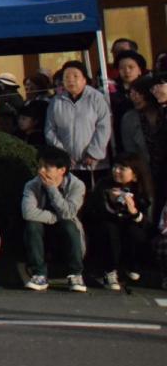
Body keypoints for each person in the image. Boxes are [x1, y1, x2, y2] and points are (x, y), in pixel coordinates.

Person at [22, 145, 87, 292]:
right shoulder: (32, 185)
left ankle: (76, 274)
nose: (41, 171)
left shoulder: (77, 185)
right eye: (40, 166)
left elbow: (69, 213)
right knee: (32, 225)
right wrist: (57, 217)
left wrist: (52, 190)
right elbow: (28, 212)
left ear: (62, 170)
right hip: (43, 229)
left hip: (65, 230)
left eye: (46, 167)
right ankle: (39, 274)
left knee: (69, 225)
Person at [88, 154, 153, 290]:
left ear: (134, 174)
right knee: (110, 230)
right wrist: (111, 203)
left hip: (130, 225)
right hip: (108, 224)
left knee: (135, 231)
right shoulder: (104, 184)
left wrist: (133, 210)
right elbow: (95, 212)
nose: (116, 171)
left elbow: (146, 223)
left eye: (122, 168)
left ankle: (133, 265)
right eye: (115, 167)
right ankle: (109, 271)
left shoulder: (141, 189)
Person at [44, 60, 111, 189]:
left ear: (85, 79)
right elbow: (50, 130)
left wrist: (93, 153)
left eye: (75, 76)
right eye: (66, 77)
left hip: (93, 163)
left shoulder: (96, 98)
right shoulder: (56, 101)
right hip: (67, 163)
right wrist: (63, 154)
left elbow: (104, 126)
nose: (71, 80)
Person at [109, 50, 146, 154]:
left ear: (139, 70)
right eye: (122, 68)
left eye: (131, 67)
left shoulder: (148, 88)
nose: (127, 71)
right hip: (119, 135)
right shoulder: (112, 90)